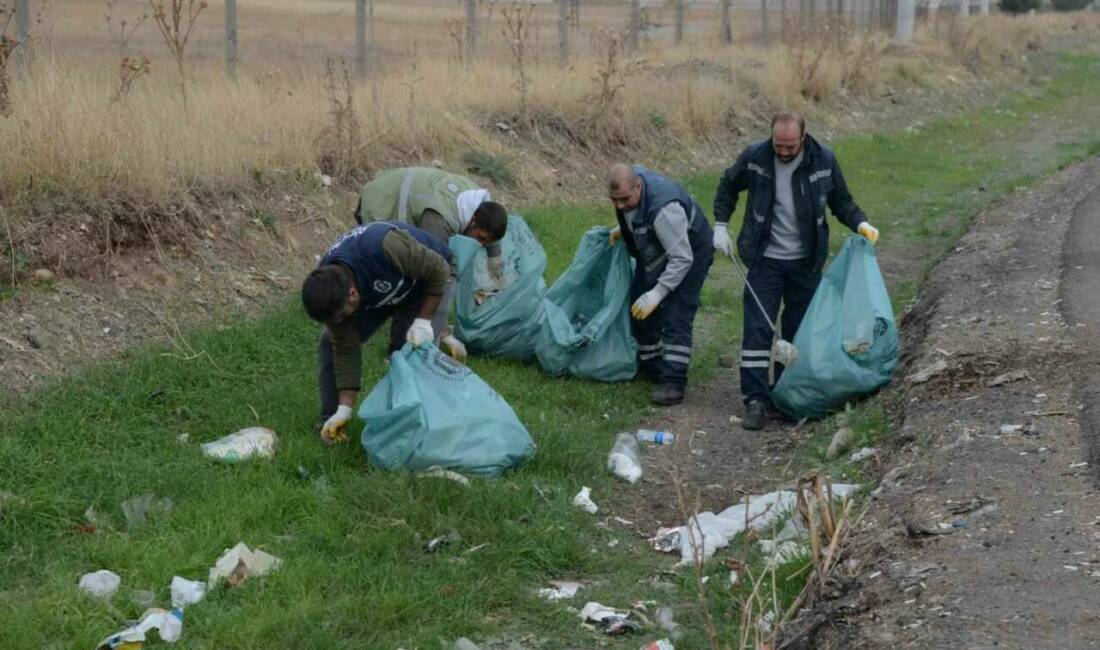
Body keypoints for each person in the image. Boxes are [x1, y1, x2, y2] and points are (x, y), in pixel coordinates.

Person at [712, 111, 880, 431]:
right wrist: (721, 224)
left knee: (797, 331)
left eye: (790, 146)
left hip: (806, 262)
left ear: (803, 138)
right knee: (758, 330)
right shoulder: (756, 157)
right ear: (771, 138)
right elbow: (727, 185)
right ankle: (756, 400)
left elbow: (841, 201)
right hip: (764, 259)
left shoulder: (823, 159)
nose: (784, 152)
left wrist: (860, 223)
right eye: (779, 145)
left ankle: (785, 395)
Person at [301, 221, 458, 443]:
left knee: (418, 354)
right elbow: (346, 348)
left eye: (340, 317)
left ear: (353, 294)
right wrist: (344, 408)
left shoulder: (386, 248)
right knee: (330, 342)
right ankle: (330, 421)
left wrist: (423, 321)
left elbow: (439, 271)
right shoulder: (329, 290)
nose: (338, 323)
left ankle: (424, 432)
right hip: (386, 289)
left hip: (430, 278)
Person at [607, 163, 715, 406]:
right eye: (614, 200)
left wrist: (658, 293)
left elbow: (681, 258)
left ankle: (674, 382)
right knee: (638, 305)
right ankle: (653, 366)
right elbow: (637, 215)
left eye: (624, 199)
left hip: (691, 251)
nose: (619, 206)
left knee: (677, 313)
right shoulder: (629, 189)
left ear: (638, 186)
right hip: (658, 247)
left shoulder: (665, 210)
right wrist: (624, 230)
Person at [355, 166, 508, 280]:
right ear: (472, 220)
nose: (479, 244)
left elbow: (490, 232)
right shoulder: (440, 220)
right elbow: (435, 265)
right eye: (479, 238)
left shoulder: (480, 203)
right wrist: (453, 278)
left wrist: (495, 262)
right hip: (382, 199)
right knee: (381, 261)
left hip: (412, 189)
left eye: (484, 241)